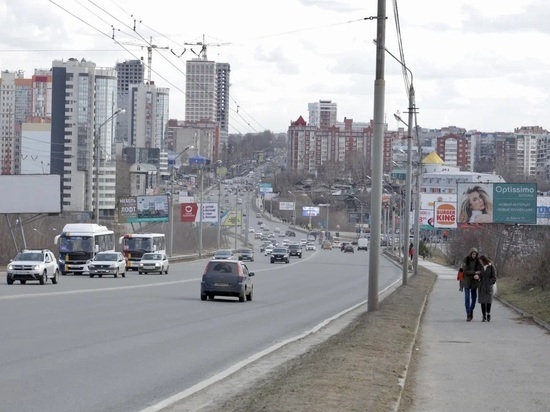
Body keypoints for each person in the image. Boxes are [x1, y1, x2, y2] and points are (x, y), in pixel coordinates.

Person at [462, 247, 482, 321]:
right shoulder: (466, 259)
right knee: (467, 298)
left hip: (474, 282)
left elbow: (480, 270)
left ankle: (471, 310)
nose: (474, 255)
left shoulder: (478, 261)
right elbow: (465, 271)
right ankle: (468, 314)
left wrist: (478, 275)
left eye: (475, 254)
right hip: (467, 281)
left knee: (474, 299)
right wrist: (474, 272)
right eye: (473, 254)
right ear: (470, 254)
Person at [478, 255, 497, 322]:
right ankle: (484, 316)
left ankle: (488, 313)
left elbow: (494, 277)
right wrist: (478, 277)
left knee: (488, 301)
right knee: (482, 301)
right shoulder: (480, 267)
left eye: (481, 261)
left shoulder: (491, 266)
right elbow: (479, 274)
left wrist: (490, 282)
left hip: (488, 286)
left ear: (484, 260)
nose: (480, 262)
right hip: (482, 286)